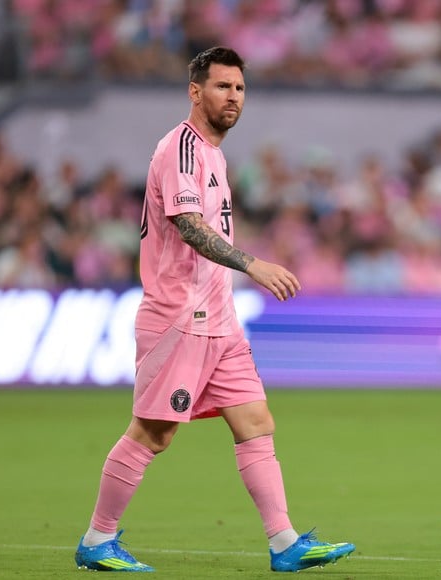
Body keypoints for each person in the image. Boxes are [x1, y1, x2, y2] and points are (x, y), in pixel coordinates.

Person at [73, 47, 355, 573]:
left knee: (255, 421)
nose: (233, 97)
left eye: (240, 88)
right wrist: (252, 264)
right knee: (154, 433)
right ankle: (97, 538)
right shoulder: (180, 148)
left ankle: (284, 543)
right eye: (223, 86)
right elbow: (188, 226)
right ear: (195, 91)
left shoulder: (214, 156)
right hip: (179, 318)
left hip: (219, 318)